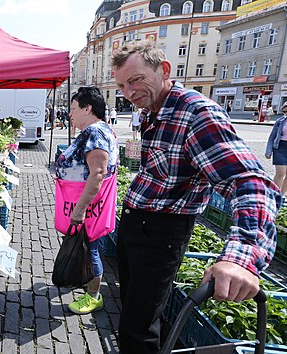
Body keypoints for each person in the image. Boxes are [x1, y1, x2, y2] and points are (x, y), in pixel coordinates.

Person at [111, 40, 281, 354]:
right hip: (139, 226)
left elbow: (250, 183)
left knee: (137, 327)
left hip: (160, 234)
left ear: (163, 70)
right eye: (122, 85)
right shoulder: (155, 110)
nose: (129, 92)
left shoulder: (195, 113)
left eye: (135, 80)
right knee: (138, 316)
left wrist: (240, 259)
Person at [55, 86, 119, 315]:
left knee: (90, 248)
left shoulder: (95, 133)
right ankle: (86, 284)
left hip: (88, 207)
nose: (70, 114)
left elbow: (98, 173)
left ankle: (93, 296)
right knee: (88, 246)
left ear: (87, 108)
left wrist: (80, 209)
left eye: (73, 109)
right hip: (88, 203)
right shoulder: (102, 130)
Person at [265, 102, 287, 196]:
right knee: (280, 173)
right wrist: (268, 150)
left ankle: (281, 196)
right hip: (280, 148)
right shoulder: (280, 121)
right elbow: (272, 137)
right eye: (285, 111)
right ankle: (274, 195)